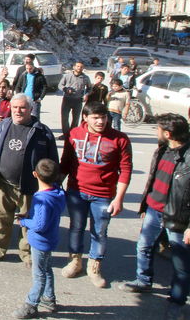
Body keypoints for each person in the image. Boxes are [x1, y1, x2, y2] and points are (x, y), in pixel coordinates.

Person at [119, 114, 190, 320]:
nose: (156, 132)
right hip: (153, 209)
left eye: (158, 129)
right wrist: (145, 205)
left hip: (178, 216)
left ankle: (177, 301)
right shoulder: (162, 149)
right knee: (143, 245)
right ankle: (143, 281)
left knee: (180, 262)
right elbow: (153, 178)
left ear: (168, 134)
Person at [0, 94, 59, 266]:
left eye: (22, 107)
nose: (18, 111)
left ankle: (27, 253)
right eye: (14, 107)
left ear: (30, 109)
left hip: (30, 187)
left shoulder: (42, 132)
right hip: (3, 183)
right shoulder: (1, 126)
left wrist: (51, 184)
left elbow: (53, 161)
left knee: (27, 223)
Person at [59, 102, 132, 288]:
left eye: (103, 117)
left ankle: (94, 266)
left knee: (99, 231)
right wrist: (54, 185)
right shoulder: (74, 134)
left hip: (104, 194)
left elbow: (125, 170)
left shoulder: (120, 139)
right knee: (76, 227)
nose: (100, 121)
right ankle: (75, 261)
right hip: (77, 191)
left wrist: (119, 198)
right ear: (85, 117)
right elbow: (66, 162)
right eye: (95, 118)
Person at [12, 158, 66, 319]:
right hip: (51, 238)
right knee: (46, 269)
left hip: (40, 241)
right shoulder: (57, 193)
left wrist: (24, 221)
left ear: (35, 174)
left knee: (39, 274)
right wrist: (29, 215)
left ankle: (31, 304)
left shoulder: (42, 199)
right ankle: (49, 298)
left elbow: (39, 225)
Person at [58, 62, 91, 140]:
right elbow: (60, 85)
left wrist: (86, 94)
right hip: (67, 99)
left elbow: (89, 88)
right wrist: (65, 89)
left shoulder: (85, 78)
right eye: (78, 66)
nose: (79, 68)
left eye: (81, 67)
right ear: (74, 67)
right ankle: (66, 134)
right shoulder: (67, 76)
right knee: (64, 118)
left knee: (75, 118)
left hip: (78, 100)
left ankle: (73, 134)